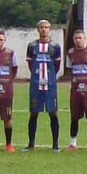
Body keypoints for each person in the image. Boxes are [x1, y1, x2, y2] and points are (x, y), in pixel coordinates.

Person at [26, 20, 65, 150]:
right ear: (38, 29)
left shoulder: (55, 46)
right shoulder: (32, 46)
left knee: (53, 113)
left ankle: (55, 145)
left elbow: (57, 66)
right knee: (33, 113)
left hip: (50, 84)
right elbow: (31, 65)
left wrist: (50, 77)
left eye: (46, 27)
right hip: (36, 84)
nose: (44, 29)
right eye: (41, 27)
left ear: (50, 29)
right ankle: (31, 144)